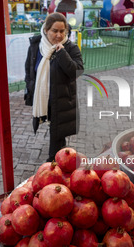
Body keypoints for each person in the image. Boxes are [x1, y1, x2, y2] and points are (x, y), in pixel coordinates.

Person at [24, 12, 84, 162]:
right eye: (54, 31)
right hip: (43, 97)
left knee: (58, 133)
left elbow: (77, 71)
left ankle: (55, 162)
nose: (59, 35)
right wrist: (30, 88)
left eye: (62, 31)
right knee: (53, 127)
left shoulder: (70, 48)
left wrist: (62, 53)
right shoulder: (36, 47)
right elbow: (30, 69)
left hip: (62, 99)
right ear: (46, 30)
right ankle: (58, 158)